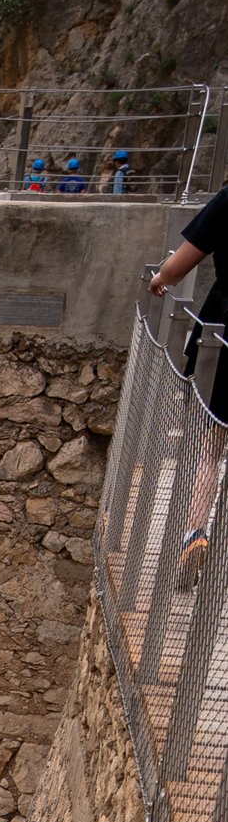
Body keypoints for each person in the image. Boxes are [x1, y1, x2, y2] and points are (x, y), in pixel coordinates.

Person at [146, 183, 228, 582]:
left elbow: (180, 267)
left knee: (209, 448)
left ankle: (195, 533)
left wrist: (159, 277)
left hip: (221, 336)